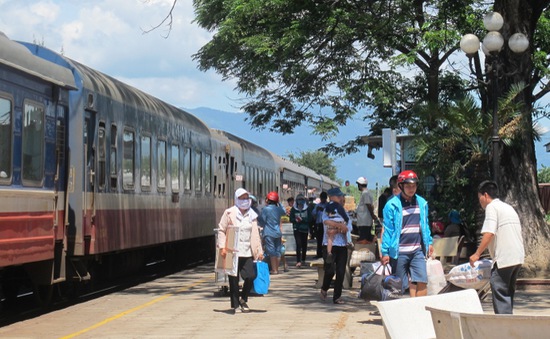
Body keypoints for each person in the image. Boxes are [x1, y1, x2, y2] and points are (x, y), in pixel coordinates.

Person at [469, 180, 524, 314]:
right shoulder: (507, 207)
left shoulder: (492, 207)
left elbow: (489, 233)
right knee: (507, 292)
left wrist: (477, 254)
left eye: (479, 198)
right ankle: (508, 325)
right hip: (517, 257)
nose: (480, 201)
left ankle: (503, 328)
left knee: (499, 289)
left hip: (504, 258)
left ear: (485, 195)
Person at [381, 170, 433, 297]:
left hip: (417, 250)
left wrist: (429, 242)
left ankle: (421, 311)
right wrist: (385, 252)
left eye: (414, 186)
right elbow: (388, 230)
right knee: (401, 286)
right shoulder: (391, 205)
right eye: (408, 186)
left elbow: (425, 225)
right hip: (399, 252)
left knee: (422, 280)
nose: (411, 189)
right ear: (401, 186)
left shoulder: (422, 203)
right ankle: (404, 313)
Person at [217, 188, 264, 314]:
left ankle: (243, 298)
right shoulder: (229, 213)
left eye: (246, 198)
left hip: (247, 251)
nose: (245, 201)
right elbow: (221, 230)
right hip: (233, 251)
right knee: (233, 279)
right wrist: (222, 247)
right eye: (242, 198)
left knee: (250, 276)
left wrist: (259, 251)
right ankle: (236, 304)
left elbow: (255, 235)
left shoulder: (252, 215)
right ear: (237, 199)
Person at [320, 187, 353, 304]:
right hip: (328, 244)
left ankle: (337, 296)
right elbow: (326, 223)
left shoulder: (344, 212)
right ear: (331, 197)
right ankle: (324, 288)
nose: (341, 198)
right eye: (338, 196)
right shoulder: (327, 210)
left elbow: (348, 227)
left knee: (340, 271)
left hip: (342, 245)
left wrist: (337, 229)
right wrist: (339, 226)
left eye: (341, 196)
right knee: (329, 270)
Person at [260, 191, 286, 274]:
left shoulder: (265, 209)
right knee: (278, 251)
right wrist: (279, 203)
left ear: (268, 200)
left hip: (269, 232)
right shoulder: (278, 209)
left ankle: (274, 270)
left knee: (271, 251)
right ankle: (277, 269)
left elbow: (262, 221)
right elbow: (284, 212)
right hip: (277, 232)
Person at [323, 197, 349, 264]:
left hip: (331, 226)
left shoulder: (328, 211)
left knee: (330, 238)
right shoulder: (342, 212)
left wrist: (334, 230)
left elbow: (326, 222)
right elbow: (346, 228)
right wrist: (339, 229)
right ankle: (348, 242)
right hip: (341, 225)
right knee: (345, 233)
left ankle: (329, 252)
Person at [289, 193, 311, 267]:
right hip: (297, 229)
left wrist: (303, 219)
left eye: (302, 199)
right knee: (298, 244)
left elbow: (310, 219)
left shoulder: (307, 209)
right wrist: (295, 220)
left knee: (304, 244)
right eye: (299, 200)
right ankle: (298, 260)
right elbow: (291, 219)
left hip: (304, 229)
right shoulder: (294, 209)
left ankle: (303, 259)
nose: (300, 201)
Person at [355, 177, 378, 244]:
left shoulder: (365, 193)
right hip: (364, 220)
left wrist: (373, 215)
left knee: (363, 239)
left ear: (360, 185)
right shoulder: (366, 193)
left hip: (364, 221)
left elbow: (369, 205)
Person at [313, 192, 329, 258]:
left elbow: (330, 213)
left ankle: (325, 253)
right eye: (321, 198)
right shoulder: (317, 205)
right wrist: (317, 210)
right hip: (319, 224)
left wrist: (323, 209)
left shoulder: (328, 205)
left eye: (324, 198)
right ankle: (319, 253)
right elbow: (313, 214)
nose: (322, 200)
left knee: (325, 239)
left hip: (326, 224)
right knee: (319, 240)